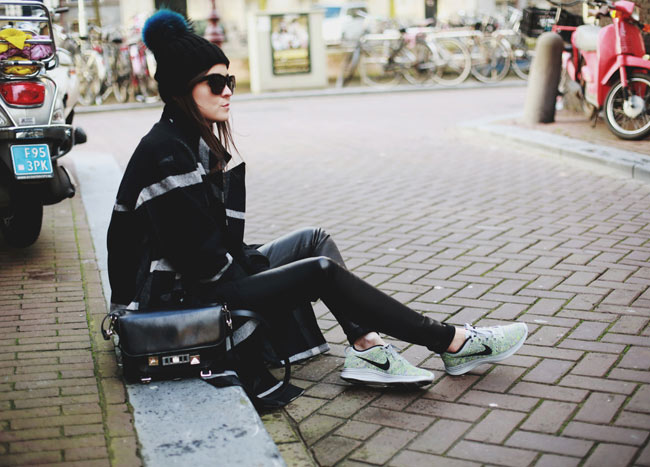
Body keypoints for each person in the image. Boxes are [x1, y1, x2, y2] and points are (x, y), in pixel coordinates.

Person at [107, 10, 527, 398]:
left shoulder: (186, 140)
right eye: (215, 83)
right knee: (319, 272)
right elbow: (204, 264)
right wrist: (269, 274)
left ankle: (368, 349)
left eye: (229, 80)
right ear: (183, 88)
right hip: (175, 301)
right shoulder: (166, 152)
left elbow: (209, 251)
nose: (228, 92)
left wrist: (259, 268)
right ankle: (452, 342)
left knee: (313, 240)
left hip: (204, 277)